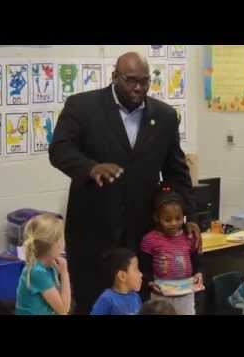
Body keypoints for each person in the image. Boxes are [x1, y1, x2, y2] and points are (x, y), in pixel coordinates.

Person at [48, 52, 199, 314]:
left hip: (141, 236)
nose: (138, 88)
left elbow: (176, 171)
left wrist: (191, 215)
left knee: (139, 306)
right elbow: (59, 150)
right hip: (93, 233)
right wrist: (90, 167)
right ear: (114, 77)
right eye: (130, 81)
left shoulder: (164, 116)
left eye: (144, 81)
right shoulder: (82, 107)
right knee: (94, 304)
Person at [139, 187, 203, 315]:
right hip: (161, 295)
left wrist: (199, 273)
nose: (174, 223)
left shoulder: (189, 236)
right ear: (157, 217)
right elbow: (144, 267)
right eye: (167, 220)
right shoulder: (149, 239)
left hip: (185, 295)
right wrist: (150, 282)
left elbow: (197, 260)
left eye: (178, 218)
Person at [15, 214, 71, 315]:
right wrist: (64, 273)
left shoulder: (49, 266)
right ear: (55, 244)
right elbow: (63, 310)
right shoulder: (37, 272)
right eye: (62, 238)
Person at [90, 247, 143, 315]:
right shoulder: (107, 299)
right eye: (136, 269)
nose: (141, 274)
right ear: (122, 276)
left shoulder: (136, 297)